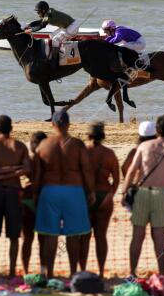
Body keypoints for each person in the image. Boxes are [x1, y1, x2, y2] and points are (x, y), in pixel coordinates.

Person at [32, 111, 95, 278]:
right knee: (73, 234)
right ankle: (74, 272)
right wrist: (91, 190)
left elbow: (37, 173)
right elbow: (86, 169)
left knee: (50, 234)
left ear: (52, 124)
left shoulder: (44, 145)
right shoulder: (76, 144)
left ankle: (49, 273)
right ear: (68, 124)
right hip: (73, 191)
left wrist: (36, 193)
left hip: (50, 191)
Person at [121, 114, 164, 276]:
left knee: (137, 236)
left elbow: (131, 171)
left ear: (157, 130)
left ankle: (132, 273)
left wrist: (124, 192)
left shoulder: (144, 147)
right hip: (162, 194)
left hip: (141, 193)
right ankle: (162, 273)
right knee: (160, 239)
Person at [0, 116, 30, 278]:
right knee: (14, 236)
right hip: (13, 191)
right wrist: (12, 170)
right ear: (11, 128)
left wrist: (1, 174)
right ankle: (11, 271)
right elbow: (26, 168)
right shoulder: (20, 146)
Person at [81, 122, 119, 278]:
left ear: (88, 135)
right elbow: (116, 180)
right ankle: (102, 272)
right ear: (103, 136)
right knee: (101, 236)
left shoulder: (83, 152)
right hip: (104, 196)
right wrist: (110, 196)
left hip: (85, 196)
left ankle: (82, 270)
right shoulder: (109, 154)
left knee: (84, 236)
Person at [22, 131, 47, 274]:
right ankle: (43, 270)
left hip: (28, 197)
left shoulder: (29, 160)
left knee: (28, 238)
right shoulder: (49, 161)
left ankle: (26, 271)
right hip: (43, 198)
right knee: (42, 238)